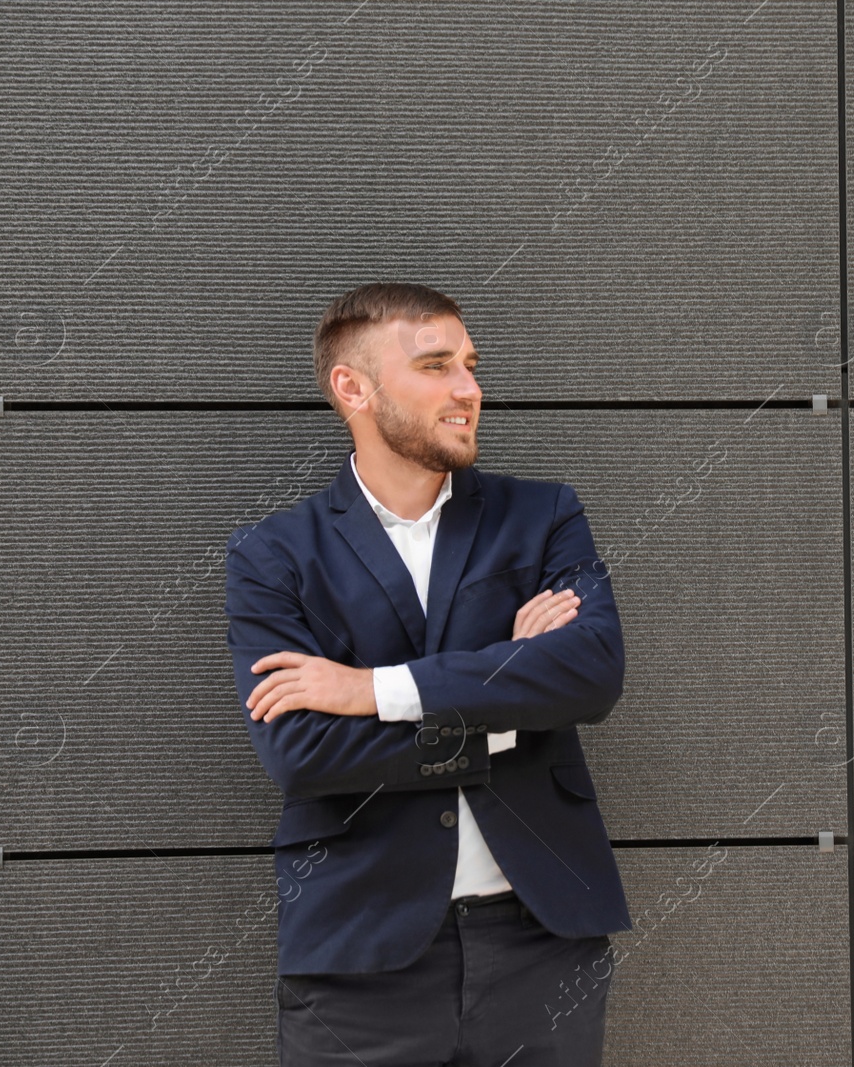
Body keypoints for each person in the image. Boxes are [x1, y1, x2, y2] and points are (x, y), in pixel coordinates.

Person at [223, 282, 632, 1065]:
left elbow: (591, 674)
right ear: (355, 388)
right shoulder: (274, 555)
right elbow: (303, 754)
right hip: (360, 957)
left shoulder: (542, 515)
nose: (469, 389)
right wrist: (508, 700)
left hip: (542, 942)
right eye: (437, 365)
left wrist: (369, 689)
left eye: (471, 365)